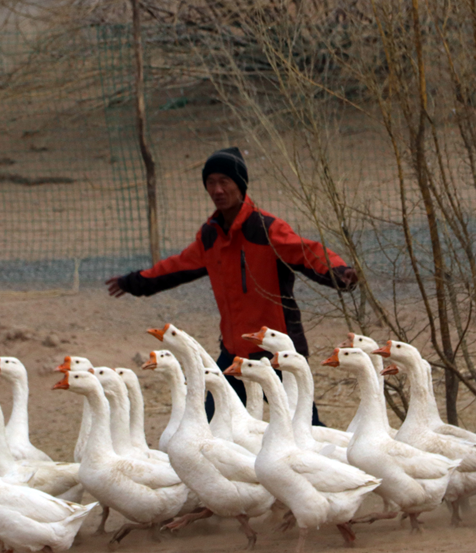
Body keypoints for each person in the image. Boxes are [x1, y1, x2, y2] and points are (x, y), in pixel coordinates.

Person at [107, 147, 358, 424]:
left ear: (240, 185)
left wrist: (339, 272)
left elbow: (307, 251)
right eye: (211, 182)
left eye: (224, 181)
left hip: (276, 349)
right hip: (234, 351)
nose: (217, 189)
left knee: (302, 427)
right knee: (214, 424)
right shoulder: (210, 236)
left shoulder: (265, 228)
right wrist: (134, 281)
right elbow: (177, 266)